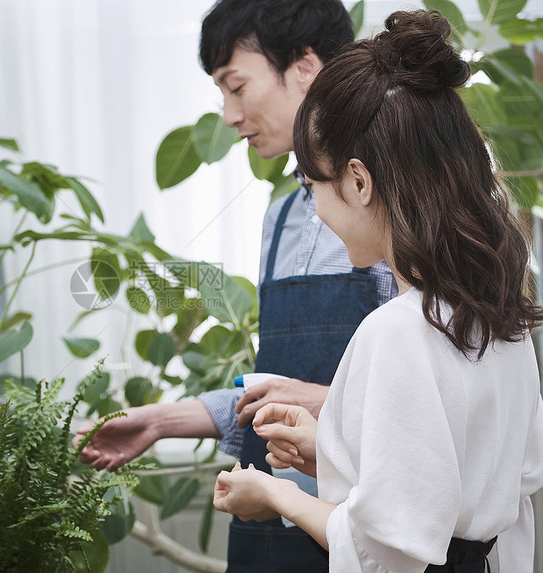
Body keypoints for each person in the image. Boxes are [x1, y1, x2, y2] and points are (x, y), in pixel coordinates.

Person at [211, 10, 543, 572]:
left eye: (313, 182)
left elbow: (385, 550)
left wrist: (276, 495)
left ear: (359, 181)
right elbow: (462, 485)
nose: (315, 208)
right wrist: (331, 449)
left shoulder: (397, 330)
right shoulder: (495, 317)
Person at [74, 0, 396, 570]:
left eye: (236, 86)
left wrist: (321, 407)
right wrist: (159, 420)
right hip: (270, 516)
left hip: (367, 519)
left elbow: (422, 399)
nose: (226, 114)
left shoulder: (394, 205)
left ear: (305, 66)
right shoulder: (283, 218)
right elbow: (277, 386)